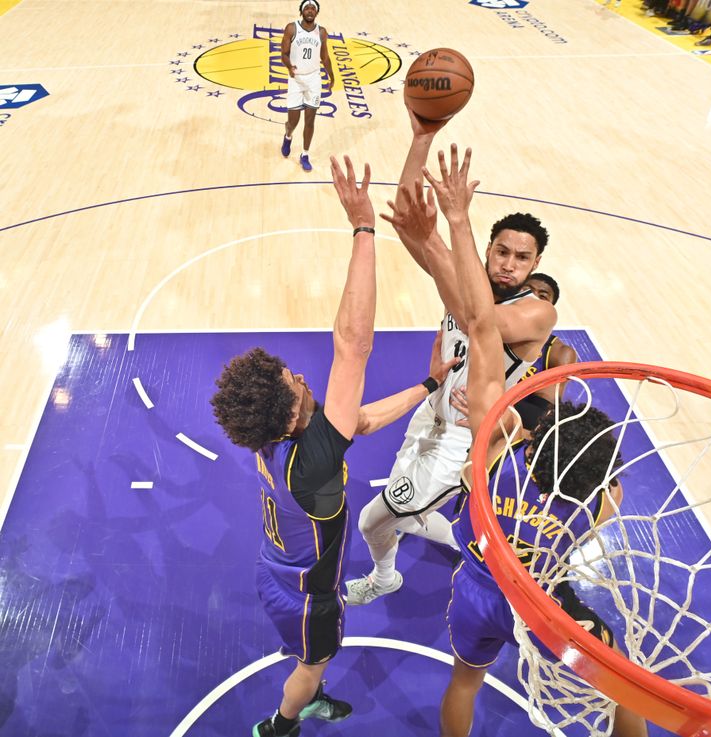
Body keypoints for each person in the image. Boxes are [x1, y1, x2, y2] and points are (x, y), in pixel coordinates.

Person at [210, 156, 456, 737]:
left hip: (278, 570)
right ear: (294, 411)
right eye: (296, 380)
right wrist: (364, 228)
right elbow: (353, 345)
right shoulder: (313, 459)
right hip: (308, 595)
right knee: (311, 662)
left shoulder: (275, 440)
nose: (300, 374)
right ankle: (284, 722)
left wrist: (430, 385)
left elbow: (361, 421)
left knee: (308, 654)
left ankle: (303, 694)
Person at [425, 144, 648, 737]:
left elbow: (482, 340)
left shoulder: (493, 458)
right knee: (624, 680)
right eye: (504, 252)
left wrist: (450, 222)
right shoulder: (599, 503)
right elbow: (609, 489)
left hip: (483, 561)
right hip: (543, 594)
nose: (511, 264)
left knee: (463, 681)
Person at [344, 109, 557, 607]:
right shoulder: (467, 275)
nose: (508, 264)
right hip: (433, 407)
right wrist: (423, 137)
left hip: (465, 435)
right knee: (411, 508)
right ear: (488, 248)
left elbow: (476, 316)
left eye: (521, 258)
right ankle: (478, 538)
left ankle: (385, 576)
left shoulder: (536, 313)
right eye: (501, 251)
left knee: (373, 519)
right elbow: (408, 219)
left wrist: (441, 231)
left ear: (535, 265)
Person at [449, 272, 579, 429]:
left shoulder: (559, 353)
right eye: (527, 291)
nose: (534, 299)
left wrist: (488, 408)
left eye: (542, 297)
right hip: (455, 409)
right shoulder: (488, 326)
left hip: (503, 427)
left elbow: (540, 417)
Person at [280, 0, 334, 172]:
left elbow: (325, 57)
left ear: (316, 13)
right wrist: (289, 66)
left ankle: (305, 154)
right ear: (301, 11)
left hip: (313, 80)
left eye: (313, 8)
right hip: (296, 79)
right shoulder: (291, 28)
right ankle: (288, 135)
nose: (310, 11)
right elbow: (283, 54)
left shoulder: (322, 32)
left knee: (310, 120)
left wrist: (331, 76)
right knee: (293, 121)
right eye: (307, 8)